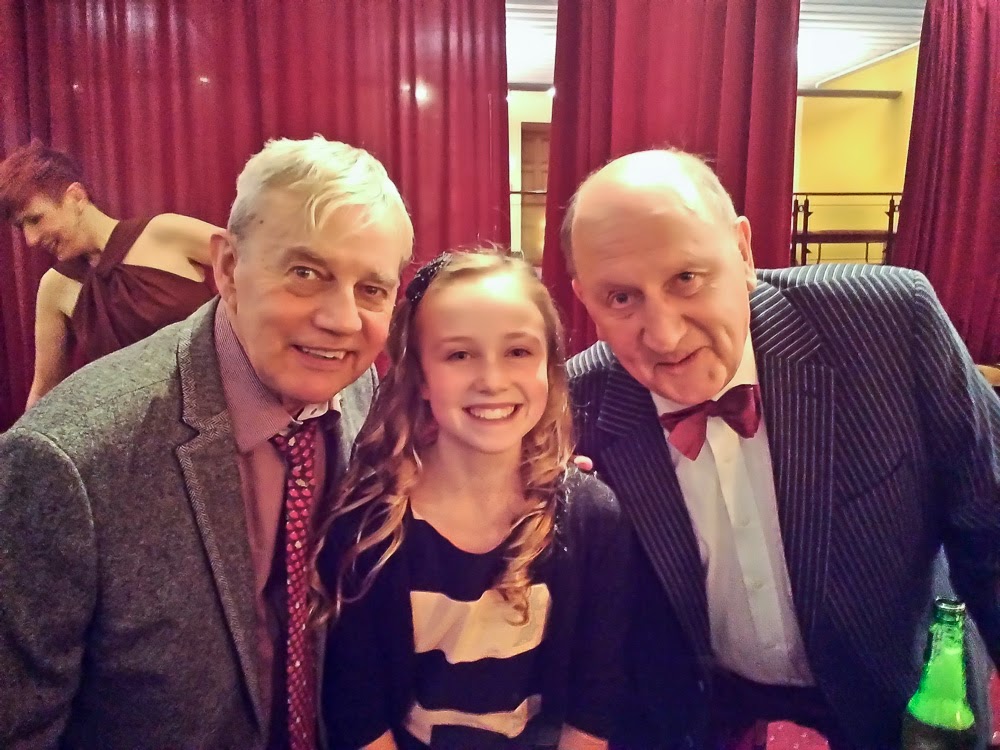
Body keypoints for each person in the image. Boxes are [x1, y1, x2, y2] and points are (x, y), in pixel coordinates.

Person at [561, 149, 1000, 749]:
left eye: (686, 279)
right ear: (585, 299)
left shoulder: (890, 323)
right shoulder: (577, 402)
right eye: (620, 298)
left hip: (894, 679)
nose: (663, 335)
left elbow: (992, 527)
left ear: (742, 252)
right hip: (697, 696)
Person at [0, 136, 413, 749]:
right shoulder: (65, 464)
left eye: (371, 289)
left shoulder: (356, 386)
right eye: (305, 272)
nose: (342, 320)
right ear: (227, 268)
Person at [315, 250, 629, 750]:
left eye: (518, 352)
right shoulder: (367, 528)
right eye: (459, 355)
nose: (492, 380)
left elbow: (596, 701)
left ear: (550, 368)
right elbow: (357, 710)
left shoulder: (593, 518)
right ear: (420, 377)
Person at [0, 141, 220, 409]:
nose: (31, 239)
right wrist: (24, 436)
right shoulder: (55, 287)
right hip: (136, 431)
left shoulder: (164, 232)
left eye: (35, 219)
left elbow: (256, 261)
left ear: (76, 197)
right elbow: (45, 391)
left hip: (221, 411)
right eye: (21, 226)